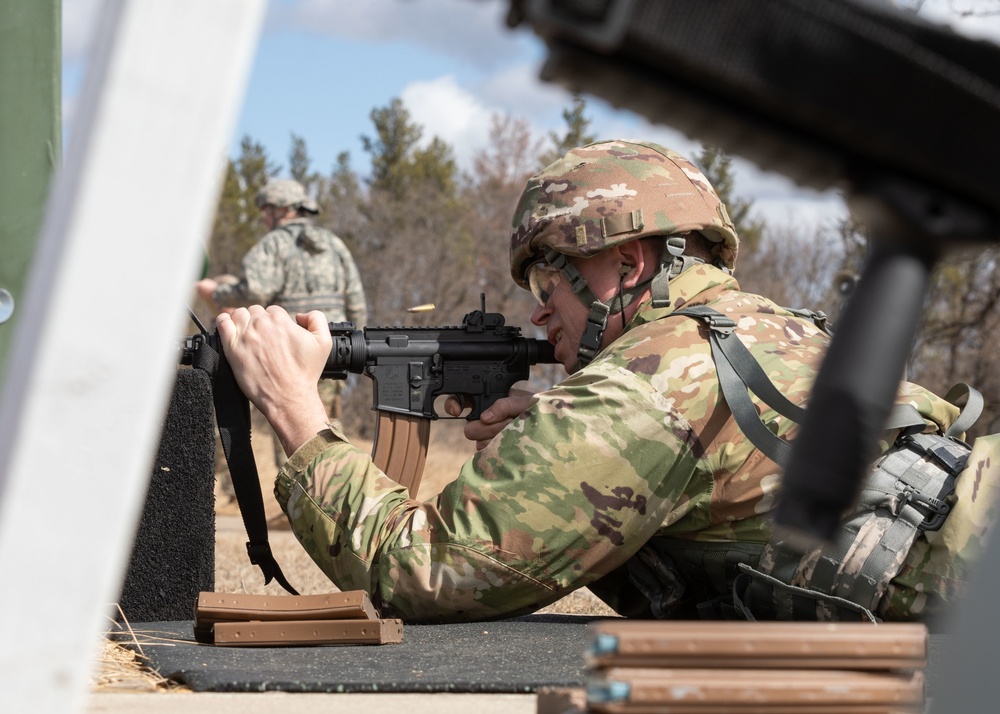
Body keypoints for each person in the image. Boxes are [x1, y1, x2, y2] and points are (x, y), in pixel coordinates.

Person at [215, 141, 999, 624]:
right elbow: (712, 476)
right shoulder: (780, 325)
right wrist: (559, 426)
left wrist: (292, 406)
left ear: (628, 265)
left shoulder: (642, 388)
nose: (537, 307)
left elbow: (417, 569)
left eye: (549, 276)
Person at [197, 177, 368, 431]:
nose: (264, 217)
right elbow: (357, 305)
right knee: (331, 435)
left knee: (294, 439)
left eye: (268, 210)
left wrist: (217, 292)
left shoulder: (273, 244)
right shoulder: (335, 245)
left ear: (284, 209)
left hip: (291, 354)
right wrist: (354, 349)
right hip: (335, 352)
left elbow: (254, 290)